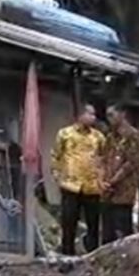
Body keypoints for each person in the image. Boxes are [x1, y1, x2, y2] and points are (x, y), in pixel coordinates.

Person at [51, 104, 104, 255]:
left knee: (93, 223)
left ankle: (93, 253)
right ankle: (68, 253)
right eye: (90, 114)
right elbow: (56, 155)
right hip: (70, 184)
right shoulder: (65, 134)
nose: (93, 118)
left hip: (92, 185)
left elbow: (103, 158)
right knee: (68, 221)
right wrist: (57, 176)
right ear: (80, 115)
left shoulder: (98, 137)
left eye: (94, 115)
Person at [99, 104, 139, 244]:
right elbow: (103, 159)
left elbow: (131, 163)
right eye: (107, 116)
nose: (109, 119)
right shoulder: (110, 137)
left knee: (123, 230)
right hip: (107, 190)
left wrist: (113, 180)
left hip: (123, 190)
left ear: (122, 114)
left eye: (112, 115)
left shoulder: (135, 136)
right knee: (107, 232)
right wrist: (102, 180)